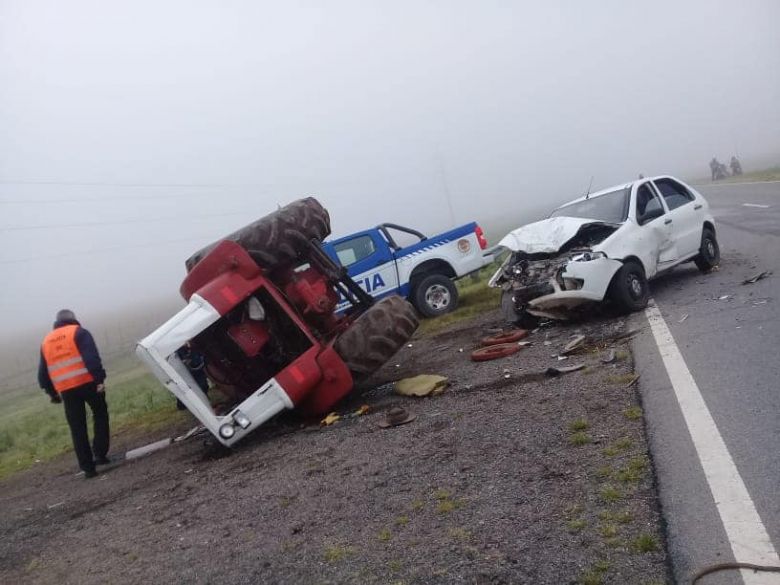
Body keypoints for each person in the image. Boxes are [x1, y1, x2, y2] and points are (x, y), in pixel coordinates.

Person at [38, 309, 109, 478]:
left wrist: (51, 393)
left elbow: (43, 372)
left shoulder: (46, 341)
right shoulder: (79, 333)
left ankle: (88, 468)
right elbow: (91, 358)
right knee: (100, 414)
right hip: (88, 384)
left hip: (67, 390)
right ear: (73, 319)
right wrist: (99, 379)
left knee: (77, 428)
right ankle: (99, 453)